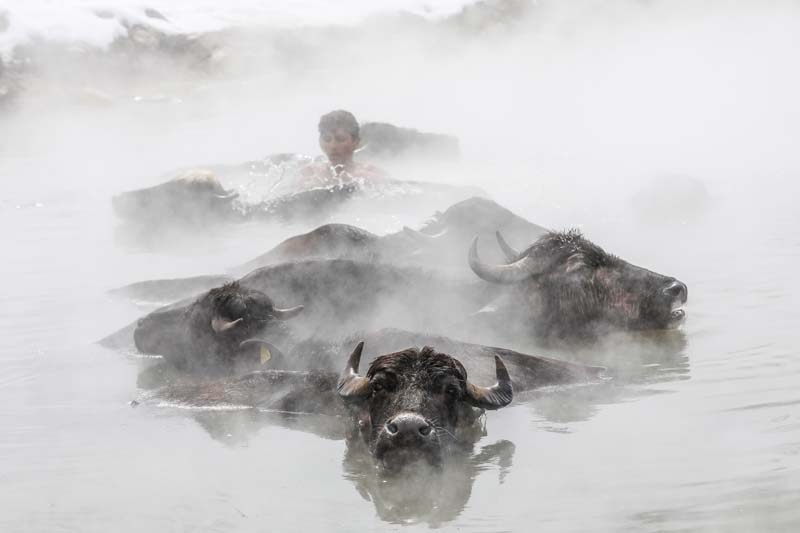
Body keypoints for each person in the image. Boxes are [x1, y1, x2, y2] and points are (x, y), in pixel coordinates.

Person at [297, 110, 387, 188]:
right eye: (327, 139)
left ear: (356, 142)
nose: (333, 146)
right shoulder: (310, 174)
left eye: (340, 139)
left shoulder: (371, 175)